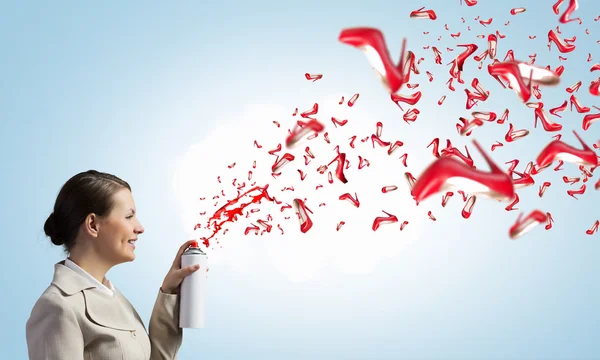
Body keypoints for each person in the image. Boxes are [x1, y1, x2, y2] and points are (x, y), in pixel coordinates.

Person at [26, 169, 200, 360]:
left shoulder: (112, 296)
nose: (140, 227)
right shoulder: (58, 306)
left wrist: (170, 291)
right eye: (128, 216)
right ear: (93, 225)